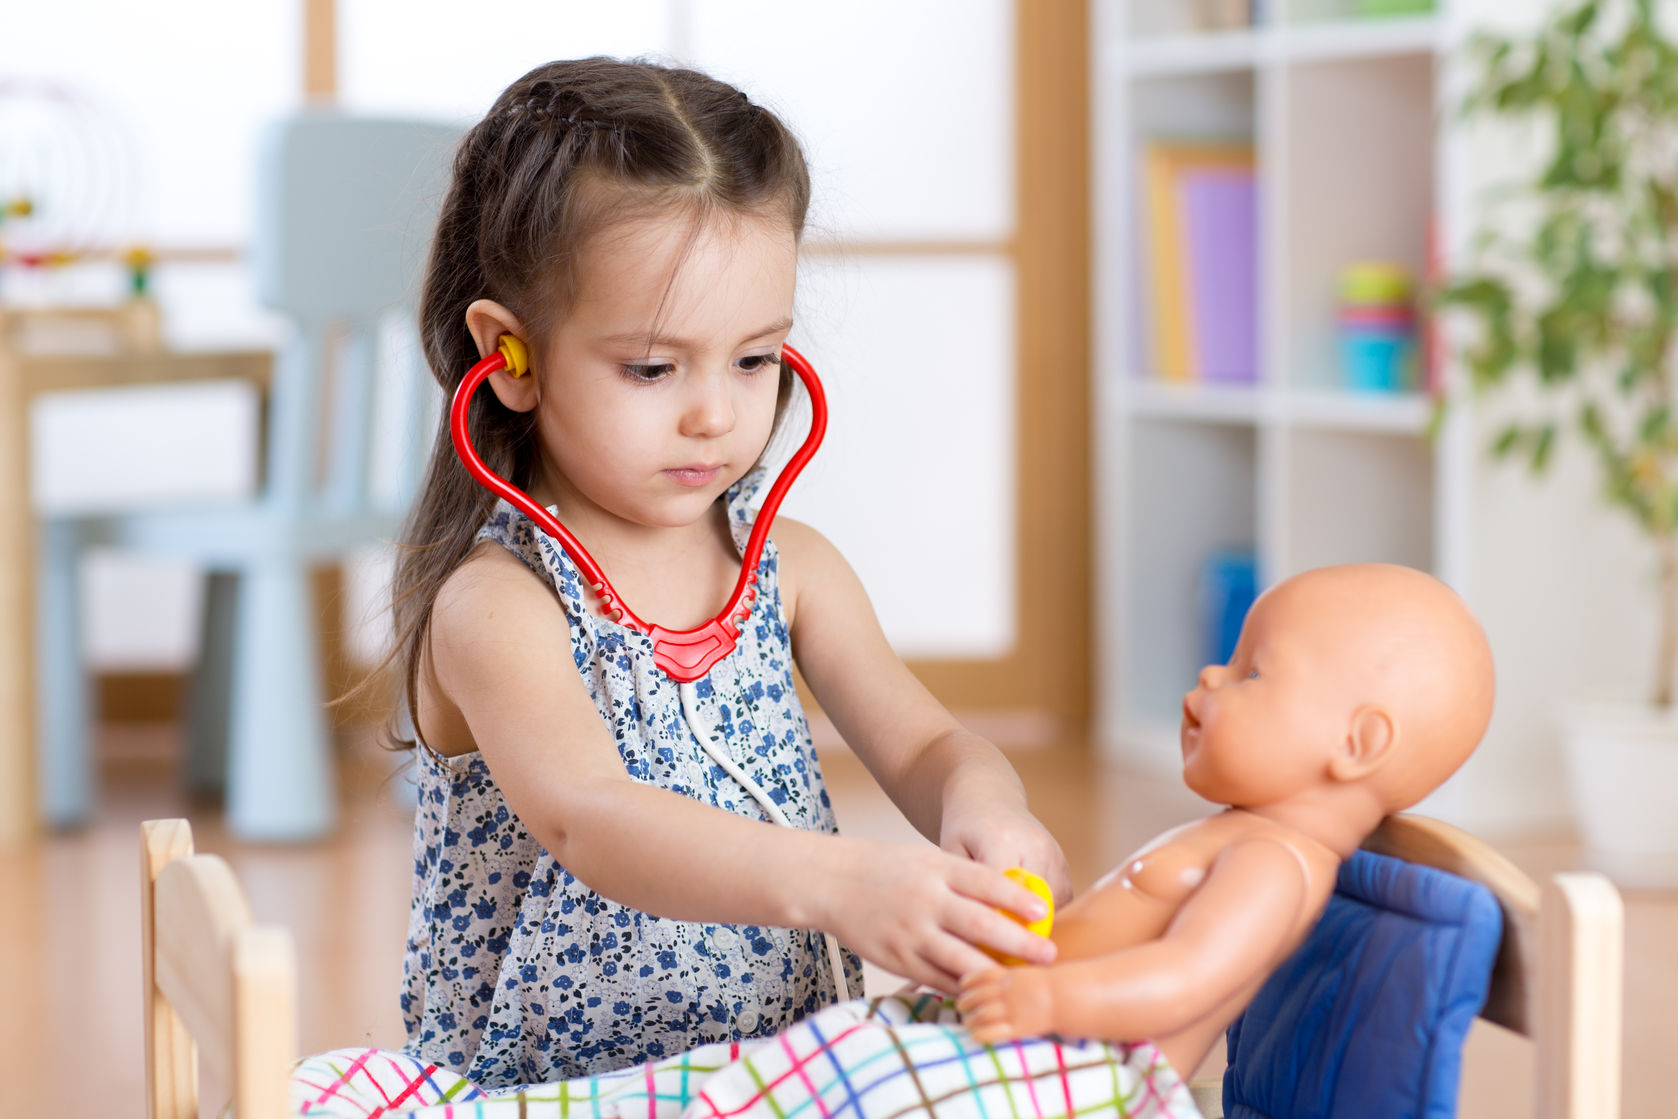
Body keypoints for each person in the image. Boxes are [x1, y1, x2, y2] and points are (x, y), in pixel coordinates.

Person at [386, 57, 1070, 1091]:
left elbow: (926, 740)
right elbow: (589, 814)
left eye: (753, 360)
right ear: (512, 355)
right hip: (555, 1091)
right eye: (653, 369)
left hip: (770, 1073)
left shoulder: (790, 570)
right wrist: (841, 883)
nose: (715, 413)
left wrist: (987, 807)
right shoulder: (498, 605)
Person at [958, 562, 1496, 1079]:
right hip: (1028, 1031)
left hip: (1081, 1077)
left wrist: (1050, 997)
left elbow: (1186, 977)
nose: (1212, 674)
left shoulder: (1272, 864)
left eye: (1253, 670)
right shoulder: (1244, 835)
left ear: (1356, 744)